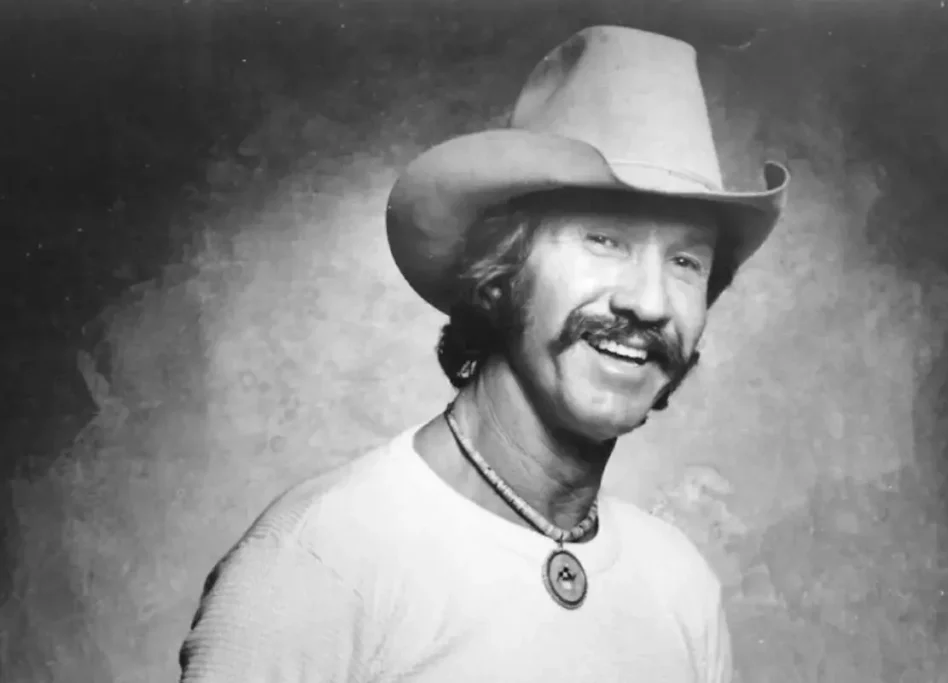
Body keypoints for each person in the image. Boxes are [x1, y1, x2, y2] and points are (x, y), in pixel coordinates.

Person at [178, 24, 789, 683]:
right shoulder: (320, 560)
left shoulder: (680, 587)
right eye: (604, 239)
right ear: (501, 271)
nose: (647, 301)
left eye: (685, 260)